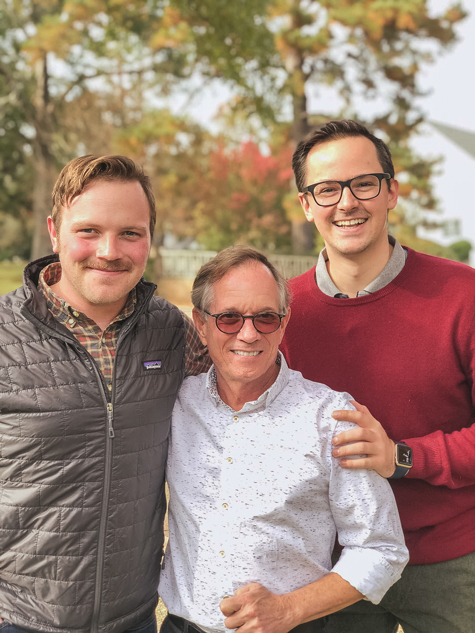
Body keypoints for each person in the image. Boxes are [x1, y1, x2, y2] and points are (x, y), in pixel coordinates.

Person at [280, 119, 475, 633]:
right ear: (306, 205)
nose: (346, 202)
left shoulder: (464, 295)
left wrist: (402, 457)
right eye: (326, 189)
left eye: (363, 184)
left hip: (450, 560)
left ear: (391, 192)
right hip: (331, 566)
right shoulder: (278, 313)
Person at [0, 155, 210, 633]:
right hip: (18, 619)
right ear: (54, 231)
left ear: (150, 238)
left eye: (130, 233)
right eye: (88, 231)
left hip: (132, 617)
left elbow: (245, 390)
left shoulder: (171, 331)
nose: (109, 251)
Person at [158, 245, 408, 633]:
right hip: (180, 625)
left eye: (265, 318)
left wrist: (289, 610)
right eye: (228, 318)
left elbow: (381, 549)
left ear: (284, 322)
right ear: (201, 323)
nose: (248, 333)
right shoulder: (175, 403)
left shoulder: (332, 419)